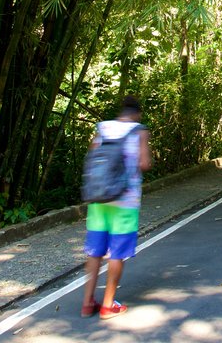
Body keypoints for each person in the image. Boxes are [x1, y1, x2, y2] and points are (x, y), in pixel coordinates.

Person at [81, 95, 152, 319]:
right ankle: (108, 305)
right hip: (125, 202)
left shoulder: (102, 128)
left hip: (98, 200)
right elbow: (144, 164)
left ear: (121, 111)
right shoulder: (139, 130)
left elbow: (92, 158)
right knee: (116, 253)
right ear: (137, 113)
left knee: (95, 251)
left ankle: (87, 303)